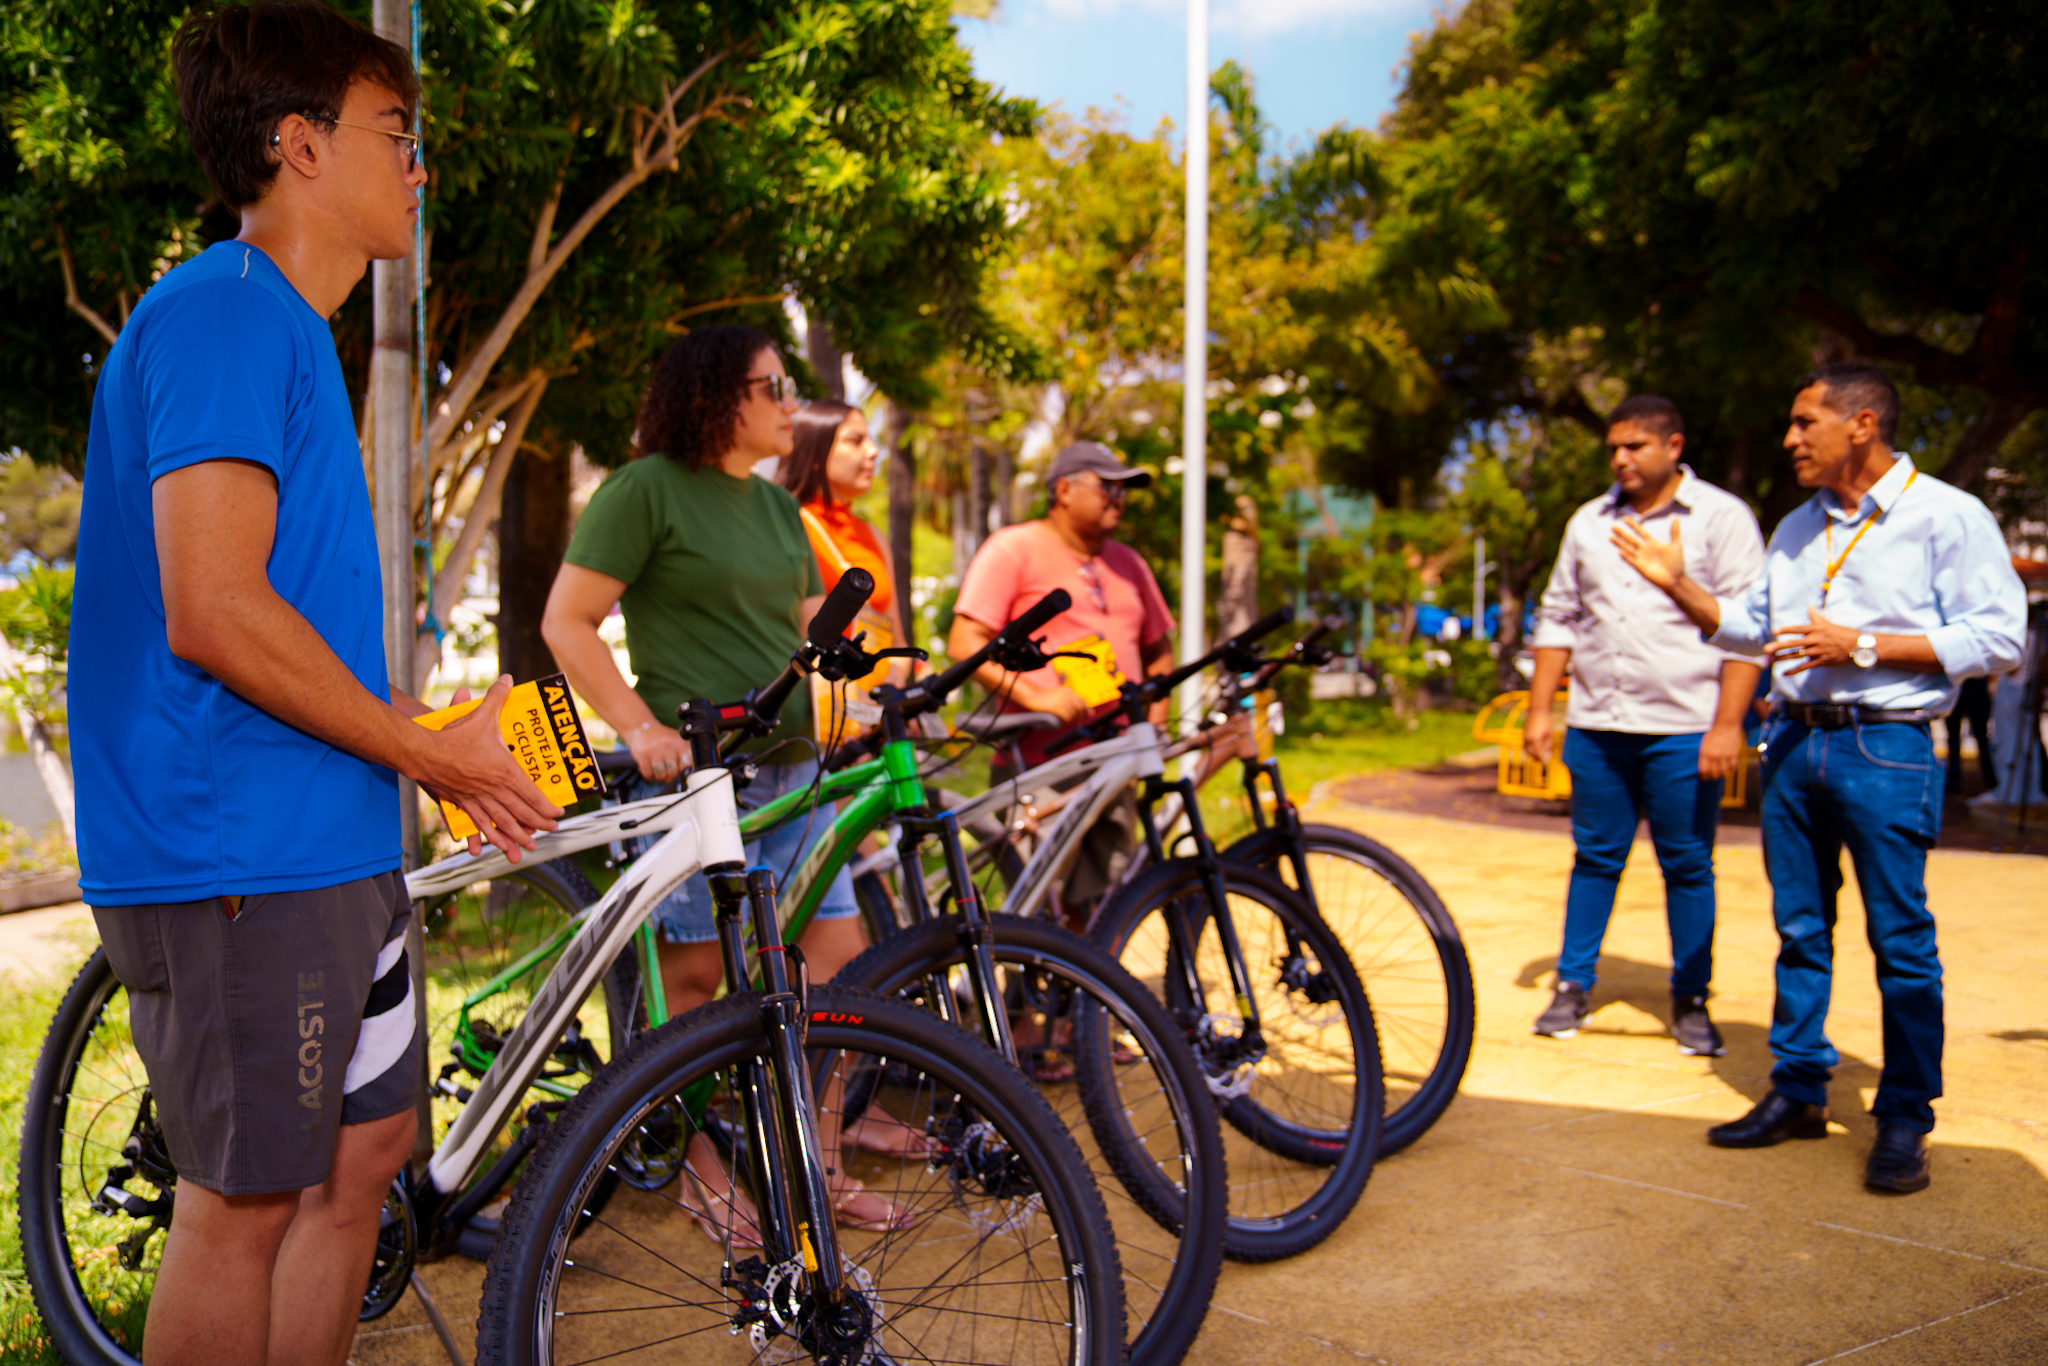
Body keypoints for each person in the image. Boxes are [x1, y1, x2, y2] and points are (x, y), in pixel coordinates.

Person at [66, 6, 560, 1364]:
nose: (418, 167)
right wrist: (434, 751)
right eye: (396, 135)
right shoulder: (227, 315)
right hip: (240, 851)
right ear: (300, 145)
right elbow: (213, 607)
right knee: (245, 1200)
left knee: (364, 1162)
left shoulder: (283, 332)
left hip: (325, 842)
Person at [1614, 360, 2026, 1194]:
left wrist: (1864, 645)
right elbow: (1754, 628)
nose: (1789, 439)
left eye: (1805, 423)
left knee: (1900, 940)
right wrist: (1678, 584)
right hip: (1795, 747)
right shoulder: (1798, 525)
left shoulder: (1949, 515)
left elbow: (2002, 639)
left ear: (1863, 424)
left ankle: (1906, 1116)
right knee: (1800, 931)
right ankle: (1799, 1089)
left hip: (1888, 747)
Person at [540, 327, 917, 1230]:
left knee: (838, 972)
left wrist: (853, 712)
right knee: (694, 984)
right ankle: (699, 1166)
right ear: (717, 394)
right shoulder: (644, 491)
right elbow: (568, 622)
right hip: (704, 786)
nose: (792, 404)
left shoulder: (777, 509)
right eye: (775, 387)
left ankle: (819, 1165)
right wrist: (637, 725)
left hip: (795, 783)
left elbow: (801, 645)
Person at [1525, 395, 1765, 1054]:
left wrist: (1727, 725)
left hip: (1685, 728)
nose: (1621, 459)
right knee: (1595, 858)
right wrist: (1542, 708)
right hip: (1599, 726)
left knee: (1687, 864)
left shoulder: (1722, 519)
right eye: (1613, 448)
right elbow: (1558, 616)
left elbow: (1748, 631)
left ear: (1674, 445)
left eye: (1635, 446)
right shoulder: (1587, 522)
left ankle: (1690, 997)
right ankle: (1573, 986)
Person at [948, 440, 1176, 924]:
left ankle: (1077, 997)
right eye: (1107, 486)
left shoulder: (1129, 563)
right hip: (1037, 764)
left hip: (1114, 761)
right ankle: (1013, 998)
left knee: (1100, 903)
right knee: (1030, 905)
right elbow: (965, 642)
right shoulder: (1014, 548)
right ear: (1064, 490)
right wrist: (1036, 695)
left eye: (1124, 489)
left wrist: (1153, 725)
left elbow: (1160, 651)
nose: (1119, 498)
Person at [777, 399, 914, 727]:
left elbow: (898, 639)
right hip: (815, 723)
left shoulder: (873, 536)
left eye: (870, 439)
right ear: (813, 453)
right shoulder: (788, 527)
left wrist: (884, 696)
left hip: (876, 718)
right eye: (856, 441)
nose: (873, 451)